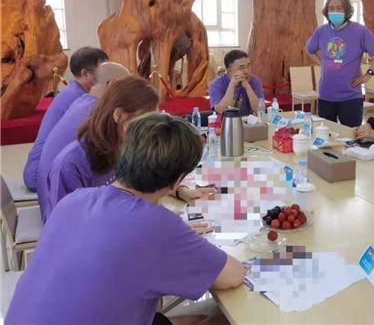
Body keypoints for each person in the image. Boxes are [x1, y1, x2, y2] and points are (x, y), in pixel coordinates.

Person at [6, 112, 244, 325]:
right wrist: (180, 241)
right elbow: (233, 276)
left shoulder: (74, 200)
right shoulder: (156, 225)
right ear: (177, 181)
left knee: (194, 317)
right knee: (222, 318)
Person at [37, 75, 159, 222]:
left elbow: (150, 180)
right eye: (143, 122)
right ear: (118, 115)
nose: (148, 131)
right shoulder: (71, 164)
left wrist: (178, 190)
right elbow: (65, 226)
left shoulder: (125, 142)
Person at [22, 47, 108, 191]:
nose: (107, 78)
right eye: (103, 73)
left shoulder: (73, 91)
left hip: (38, 170)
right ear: (85, 74)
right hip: (40, 174)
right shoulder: (79, 98)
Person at [37, 61, 130, 181]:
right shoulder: (100, 113)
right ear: (112, 84)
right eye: (127, 87)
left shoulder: (81, 102)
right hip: (64, 187)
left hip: (49, 182)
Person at [306, 0, 374, 127]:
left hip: (350, 97)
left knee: (351, 135)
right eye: (331, 8)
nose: (335, 11)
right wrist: (321, 63)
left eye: (339, 8)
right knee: (326, 134)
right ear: (327, 11)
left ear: (347, 10)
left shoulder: (360, 31)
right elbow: (309, 48)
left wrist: (368, 75)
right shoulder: (321, 31)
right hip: (326, 95)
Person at [209, 50, 264, 116]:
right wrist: (232, 85)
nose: (247, 71)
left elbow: (260, 110)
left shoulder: (255, 81)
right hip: (226, 121)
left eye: (248, 66)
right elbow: (220, 110)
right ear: (230, 71)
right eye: (242, 68)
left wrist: (248, 87)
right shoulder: (216, 84)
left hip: (248, 121)